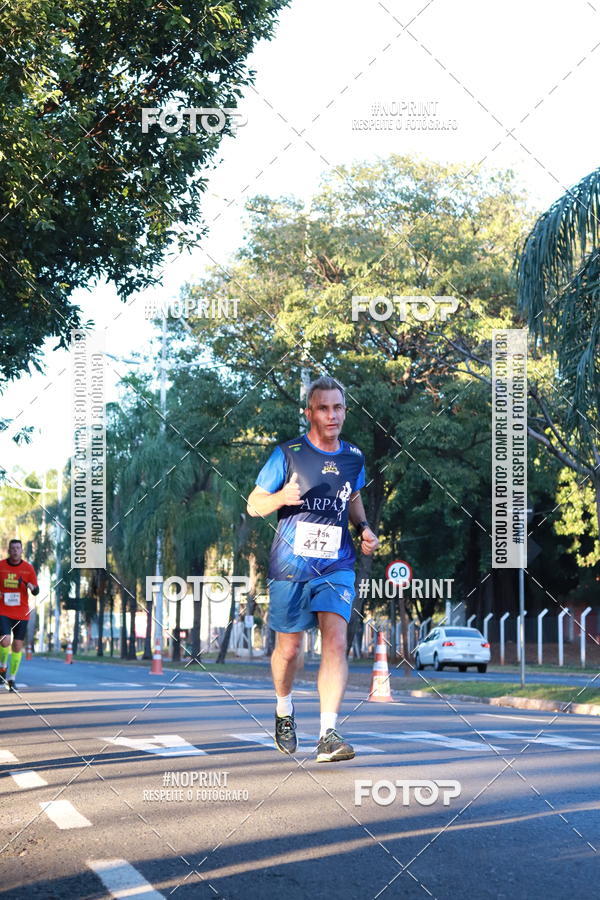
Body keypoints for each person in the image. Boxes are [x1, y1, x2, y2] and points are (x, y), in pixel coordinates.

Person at [247, 376, 379, 762]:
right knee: (289, 650)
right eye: (323, 408)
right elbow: (254, 504)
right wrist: (279, 497)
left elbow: (353, 497)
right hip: (290, 567)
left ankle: (328, 733)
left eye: (338, 407)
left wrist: (364, 527)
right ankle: (284, 709)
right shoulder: (286, 454)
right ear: (309, 413)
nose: (332, 415)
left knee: (336, 638)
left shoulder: (353, 457)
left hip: (337, 563)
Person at [0, 539, 39, 691]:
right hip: (3, 610)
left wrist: (31, 587)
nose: (15, 551)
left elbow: (36, 590)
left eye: (18, 548)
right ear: (9, 550)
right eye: (13, 548)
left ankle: (11, 678)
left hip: (22, 613)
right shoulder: (1, 566)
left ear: (21, 551)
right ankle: (3, 667)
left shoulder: (28, 569)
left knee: (17, 646)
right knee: (4, 641)